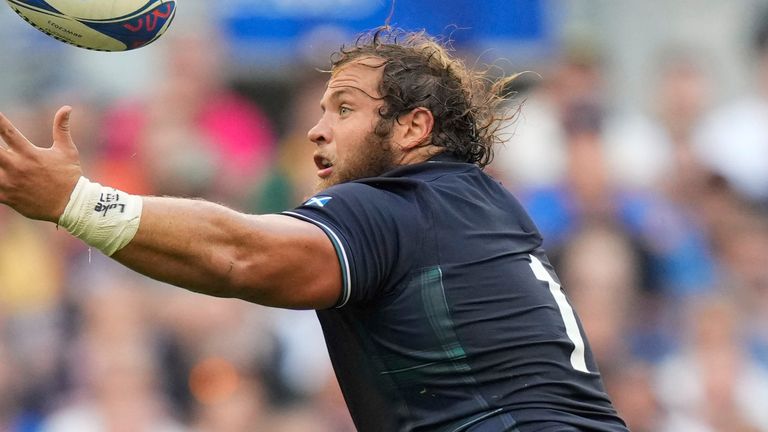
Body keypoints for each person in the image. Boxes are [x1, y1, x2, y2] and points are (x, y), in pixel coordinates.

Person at [0, 29, 628, 431]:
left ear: (412, 128)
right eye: (322, 108)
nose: (315, 129)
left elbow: (238, 254)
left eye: (346, 109)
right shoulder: (478, 202)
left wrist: (74, 201)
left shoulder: (396, 206)